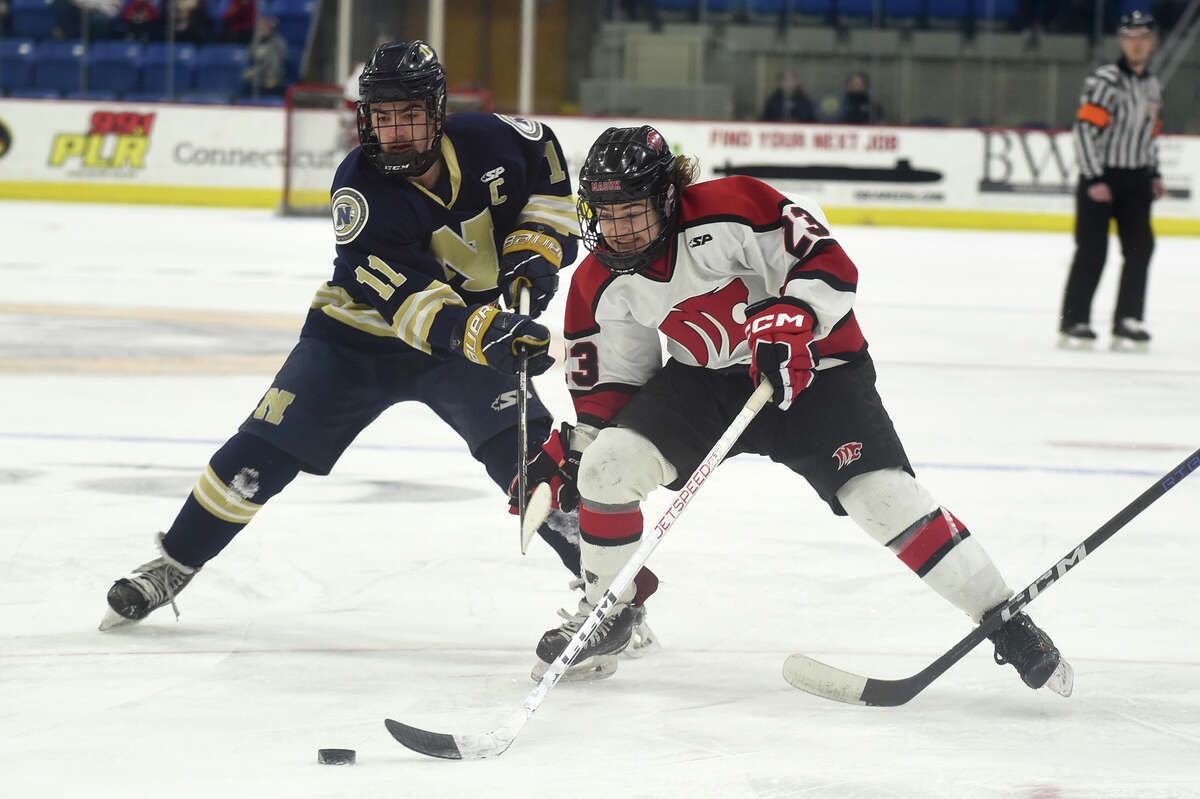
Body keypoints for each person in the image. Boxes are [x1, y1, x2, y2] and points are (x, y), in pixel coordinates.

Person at [514, 124, 1073, 697]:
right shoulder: (598, 282)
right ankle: (609, 611)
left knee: (880, 498)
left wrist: (796, 313)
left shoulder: (734, 206)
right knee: (608, 465)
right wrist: (577, 453)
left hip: (817, 371)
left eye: (632, 212)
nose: (618, 230)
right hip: (706, 385)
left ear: (667, 197)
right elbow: (616, 386)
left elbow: (828, 260)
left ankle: (1003, 618)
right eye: (605, 215)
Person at [98, 41, 609, 635]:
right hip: (355, 340)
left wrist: (534, 254)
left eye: (408, 115)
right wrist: (490, 331)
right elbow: (411, 304)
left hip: (471, 338)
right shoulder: (359, 192)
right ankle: (174, 564)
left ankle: (609, 591)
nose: (393, 132)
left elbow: (545, 176)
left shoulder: (502, 140)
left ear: (437, 112)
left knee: (532, 462)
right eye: (382, 116)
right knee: (262, 451)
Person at [1058, 10, 1164, 350]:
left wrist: (1155, 173)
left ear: (1152, 43)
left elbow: (1150, 134)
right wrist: (1093, 177)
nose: (1137, 45)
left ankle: (1127, 319)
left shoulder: (1151, 85)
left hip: (1136, 181)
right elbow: (1085, 132)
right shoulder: (1105, 80)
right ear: (1122, 41)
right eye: (1131, 38)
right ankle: (1075, 320)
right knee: (1092, 251)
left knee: (1140, 248)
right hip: (1102, 178)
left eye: (1143, 38)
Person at [242, 15, 287, 95]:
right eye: (260, 28)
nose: (262, 30)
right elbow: (251, 55)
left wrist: (263, 55)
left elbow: (281, 59)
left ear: (271, 29)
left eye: (265, 27)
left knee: (273, 57)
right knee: (246, 74)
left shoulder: (279, 42)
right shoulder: (256, 41)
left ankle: (271, 79)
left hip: (274, 73)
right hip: (258, 71)